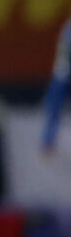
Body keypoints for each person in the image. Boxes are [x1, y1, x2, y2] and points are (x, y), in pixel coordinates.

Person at [40, 17, 71, 157]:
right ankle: (48, 142)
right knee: (53, 108)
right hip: (63, 74)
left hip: (63, 74)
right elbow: (64, 53)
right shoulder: (68, 27)